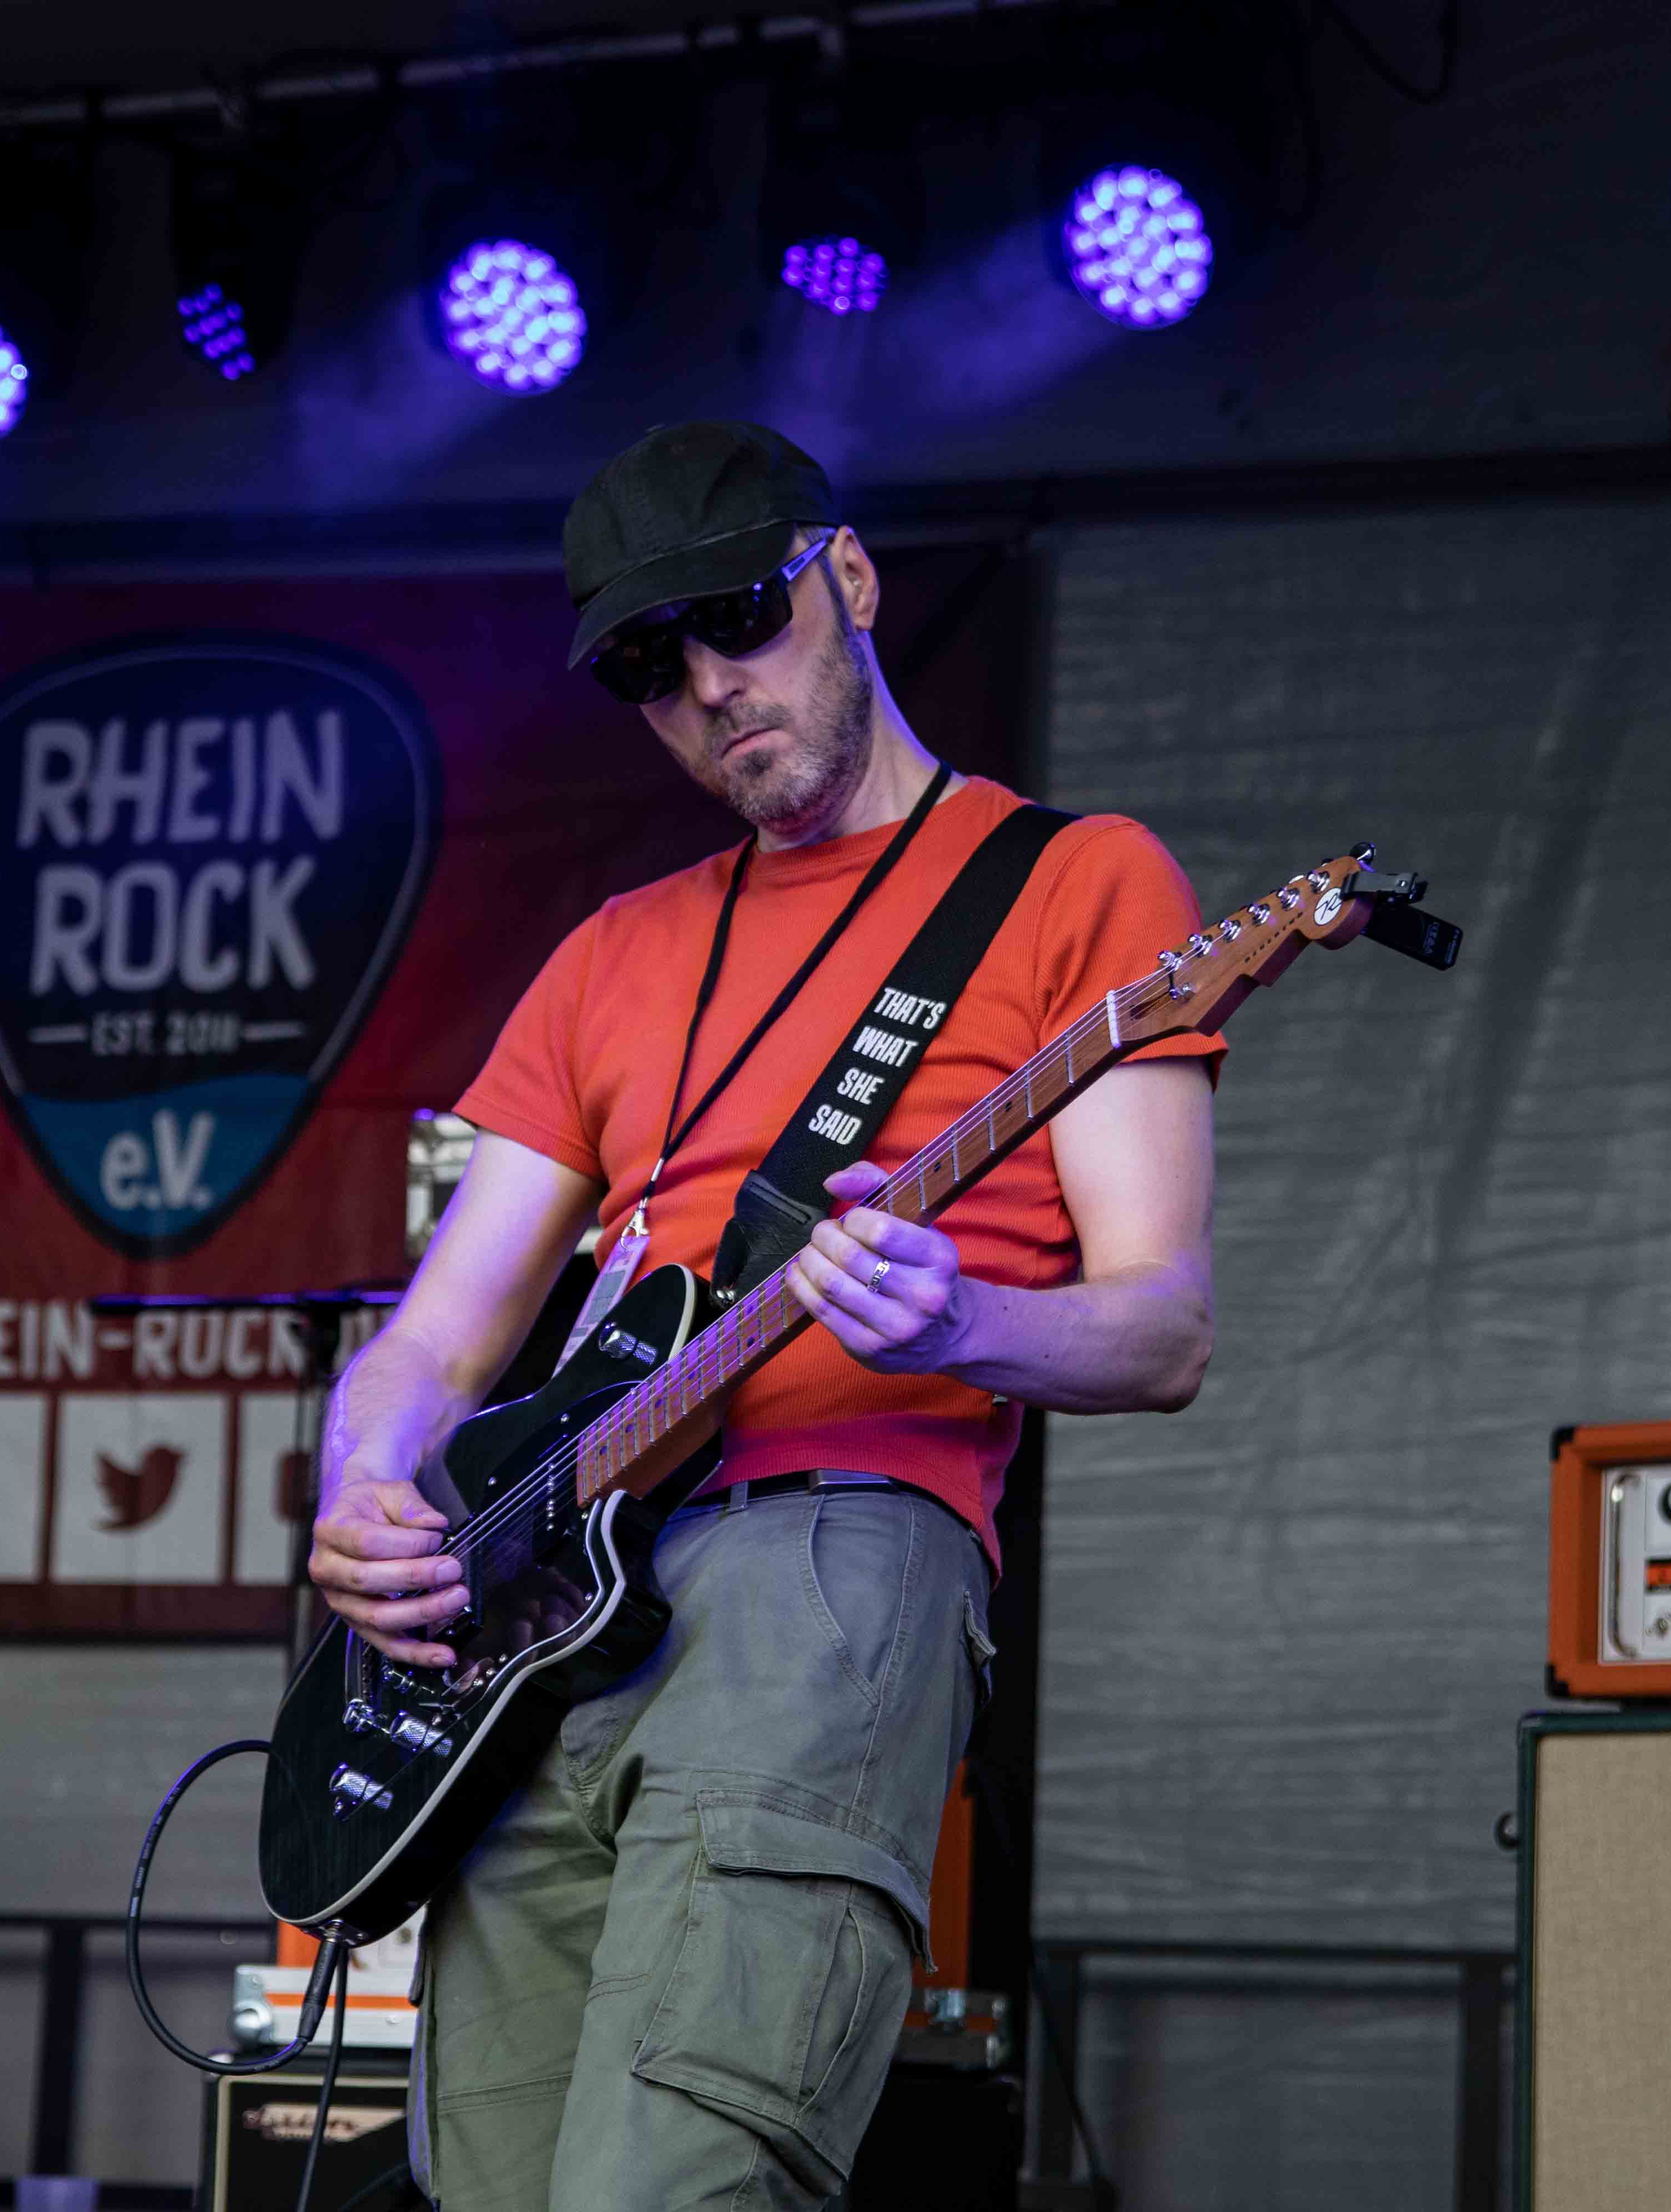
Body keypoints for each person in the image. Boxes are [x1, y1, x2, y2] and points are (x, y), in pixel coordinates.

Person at [310, 421, 1222, 2210]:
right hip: (546, 1608)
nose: (710, 688)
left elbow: (1165, 1327)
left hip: (826, 1555)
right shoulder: (613, 949)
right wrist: (364, 1484)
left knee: (674, 2178)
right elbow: (433, 1343)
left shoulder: (1073, 880)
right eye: (650, 670)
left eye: (739, 619)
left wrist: (959, 1324)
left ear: (851, 578)